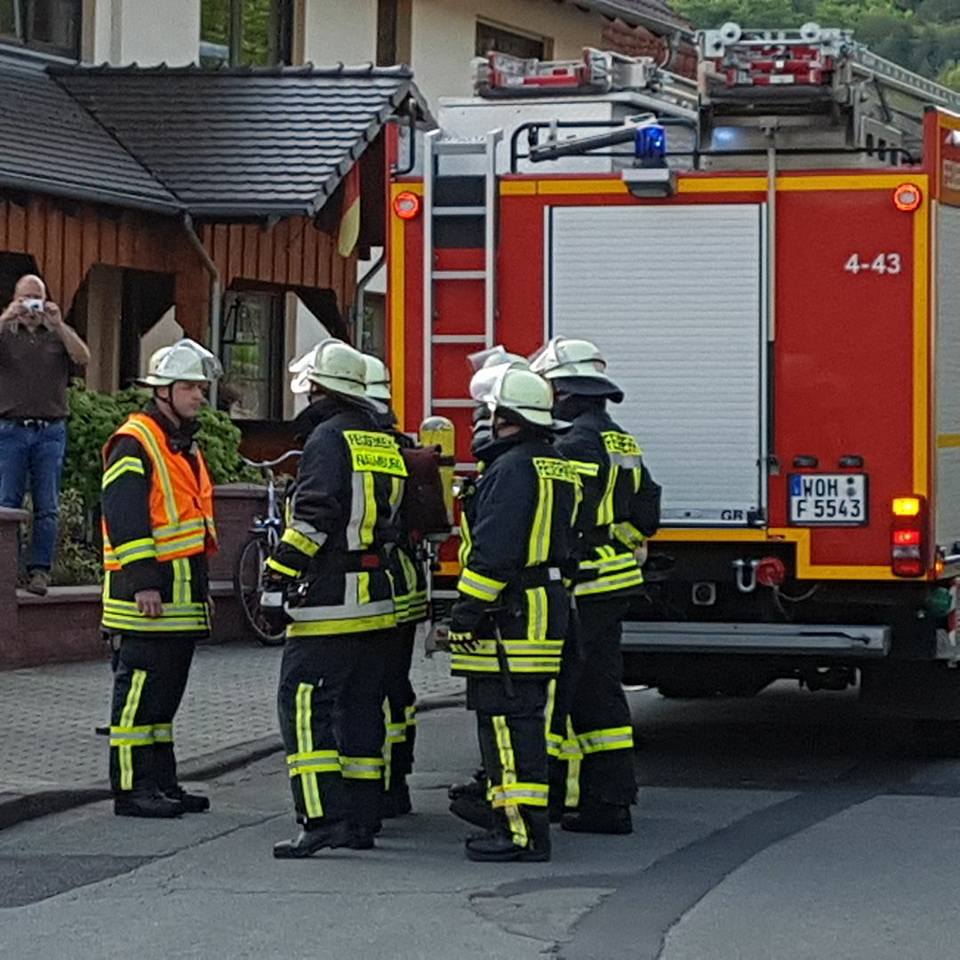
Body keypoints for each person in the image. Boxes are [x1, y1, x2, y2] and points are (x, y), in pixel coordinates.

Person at [266, 339, 406, 858]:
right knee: (361, 708)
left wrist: (277, 575)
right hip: (376, 598)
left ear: (320, 389)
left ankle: (320, 818)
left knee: (303, 703)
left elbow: (314, 517)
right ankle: (363, 820)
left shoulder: (327, 438)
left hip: (330, 599)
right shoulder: (379, 438)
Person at [530, 336, 661, 835]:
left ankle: (573, 799)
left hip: (582, 582)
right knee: (602, 690)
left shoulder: (574, 443)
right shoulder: (621, 439)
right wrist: (618, 535)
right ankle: (609, 799)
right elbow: (646, 512)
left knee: (567, 695)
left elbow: (565, 512)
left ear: (564, 392)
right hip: (617, 579)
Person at [447, 364, 578, 862]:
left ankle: (519, 834)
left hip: (512, 616)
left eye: (489, 412)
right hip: (546, 606)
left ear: (506, 418)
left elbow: (495, 552)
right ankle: (523, 826)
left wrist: (466, 613)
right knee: (524, 723)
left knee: (506, 725)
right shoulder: (553, 461)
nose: (484, 420)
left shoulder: (510, 468)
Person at [102, 339, 221, 818]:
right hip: (147, 594)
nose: (198, 395)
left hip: (180, 593)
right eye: (190, 386)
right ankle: (131, 789)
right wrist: (143, 582)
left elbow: (191, 526)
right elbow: (125, 517)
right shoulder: (135, 441)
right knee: (138, 698)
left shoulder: (181, 444)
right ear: (163, 391)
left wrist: (202, 591)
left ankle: (161, 782)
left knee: (163, 699)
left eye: (200, 387)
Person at [363, 354, 428, 819]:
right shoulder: (404, 448)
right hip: (407, 580)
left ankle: (373, 790)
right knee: (397, 690)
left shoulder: (354, 448)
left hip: (375, 584)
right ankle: (397, 783)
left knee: (368, 692)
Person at [0, 274, 90, 595]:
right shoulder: (6, 333)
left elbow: (83, 357)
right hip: (10, 430)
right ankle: (6, 570)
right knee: (7, 504)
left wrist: (60, 324)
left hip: (50, 430)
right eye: (24, 299)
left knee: (47, 505)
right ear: (14, 299)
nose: (30, 307)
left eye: (35, 299)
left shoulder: (57, 335)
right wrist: (6, 317)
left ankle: (40, 571)